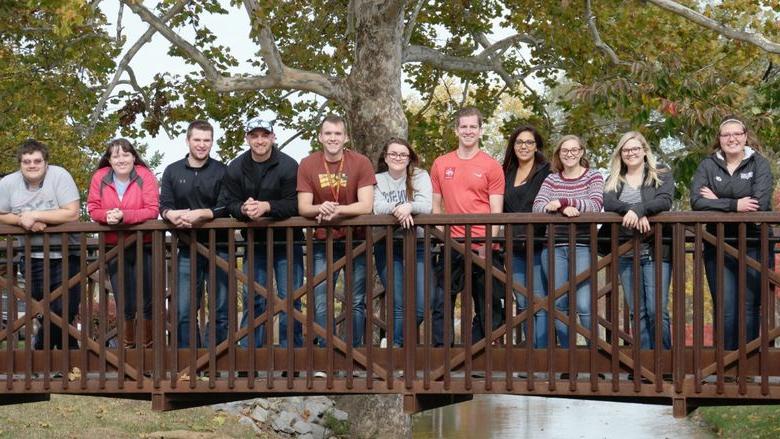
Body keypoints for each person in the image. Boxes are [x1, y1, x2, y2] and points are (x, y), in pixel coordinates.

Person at [691, 115, 774, 350]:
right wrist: (734, 205)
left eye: (737, 133)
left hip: (755, 244)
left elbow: (758, 203)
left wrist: (717, 200)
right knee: (726, 308)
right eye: (726, 134)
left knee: (749, 306)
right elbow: (697, 200)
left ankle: (746, 367)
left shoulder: (760, 164)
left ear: (745, 136)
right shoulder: (708, 165)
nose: (732, 138)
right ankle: (726, 365)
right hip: (716, 244)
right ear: (719, 139)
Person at [219, 116, 303, 348]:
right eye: (254, 136)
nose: (259, 140)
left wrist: (267, 207)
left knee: (291, 299)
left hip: (289, 243)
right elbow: (229, 203)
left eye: (264, 135)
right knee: (253, 299)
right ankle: (250, 358)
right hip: (254, 243)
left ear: (273, 137)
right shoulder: (236, 167)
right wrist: (243, 209)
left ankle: (292, 357)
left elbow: (295, 204)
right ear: (247, 139)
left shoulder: (289, 165)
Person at [297, 114, 375, 347]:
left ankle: (352, 354)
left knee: (356, 300)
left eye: (338, 134)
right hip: (323, 241)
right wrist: (321, 208)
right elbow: (303, 206)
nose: (333, 138)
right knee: (321, 299)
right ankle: (325, 354)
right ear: (320, 137)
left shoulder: (361, 162)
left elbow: (366, 205)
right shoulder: (308, 163)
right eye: (328, 133)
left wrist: (337, 211)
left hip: (357, 240)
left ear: (346, 137)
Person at [430, 107, 505, 346]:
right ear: (456, 130)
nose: (468, 131)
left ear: (481, 131)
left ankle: (480, 355)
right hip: (452, 243)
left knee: (488, 302)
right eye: (464, 126)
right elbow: (435, 207)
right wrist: (444, 239)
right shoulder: (441, 163)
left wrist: (489, 245)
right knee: (442, 301)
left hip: (483, 244)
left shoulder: (492, 165)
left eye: (473, 126)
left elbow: (496, 210)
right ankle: (443, 355)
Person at [0, 139, 81, 351]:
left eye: (37, 161)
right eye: (26, 161)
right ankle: (70, 360)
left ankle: (40, 353)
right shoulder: (8, 183)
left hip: (67, 254)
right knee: (44, 311)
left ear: (46, 163)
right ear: (20, 164)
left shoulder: (60, 175)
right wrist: (20, 221)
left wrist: (34, 215)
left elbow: (72, 213)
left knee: (65, 311)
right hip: (32, 257)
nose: (32, 165)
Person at [160, 120, 229, 348]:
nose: (201, 145)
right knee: (182, 309)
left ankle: (216, 360)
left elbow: (226, 206)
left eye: (206, 140)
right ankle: (190, 362)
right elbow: (164, 205)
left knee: (221, 309)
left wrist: (202, 214)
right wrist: (170, 214)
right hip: (186, 248)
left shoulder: (222, 170)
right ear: (188, 140)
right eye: (197, 139)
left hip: (219, 248)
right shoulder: (172, 170)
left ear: (212, 142)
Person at [604, 131, 673, 350]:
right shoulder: (614, 179)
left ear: (644, 150)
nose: (631, 153)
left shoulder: (660, 172)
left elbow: (665, 200)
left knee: (656, 309)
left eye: (635, 148)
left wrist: (641, 209)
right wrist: (633, 211)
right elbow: (608, 202)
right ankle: (643, 363)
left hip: (656, 250)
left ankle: (664, 363)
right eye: (626, 150)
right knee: (637, 311)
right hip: (625, 250)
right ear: (620, 154)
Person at [87, 138, 159, 348]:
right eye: (116, 155)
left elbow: (152, 209)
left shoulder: (145, 175)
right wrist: (105, 216)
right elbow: (92, 207)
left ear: (134, 157)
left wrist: (124, 216)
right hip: (114, 247)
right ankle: (127, 349)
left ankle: (147, 350)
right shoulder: (99, 177)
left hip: (144, 245)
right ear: (108, 160)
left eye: (126, 154)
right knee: (124, 300)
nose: (121, 159)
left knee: (147, 300)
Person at [533, 135, 603, 348]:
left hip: (582, 246)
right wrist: (565, 209)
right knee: (559, 304)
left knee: (583, 303)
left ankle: (594, 357)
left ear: (581, 152)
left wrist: (562, 202)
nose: (570, 154)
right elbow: (538, 206)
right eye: (565, 151)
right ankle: (567, 357)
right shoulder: (552, 179)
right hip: (553, 247)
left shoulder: (594, 177)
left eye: (574, 150)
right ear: (559, 154)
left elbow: (595, 204)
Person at [373, 138, 432, 347]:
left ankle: (392, 340)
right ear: (386, 158)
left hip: (418, 244)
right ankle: (397, 350)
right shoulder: (377, 179)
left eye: (403, 155)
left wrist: (410, 207)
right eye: (393, 154)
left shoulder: (420, 176)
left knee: (422, 304)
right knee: (398, 302)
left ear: (409, 158)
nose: (398, 158)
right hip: (387, 245)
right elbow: (377, 207)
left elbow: (426, 205)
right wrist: (401, 208)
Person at [501, 125, 551, 348]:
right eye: (519, 142)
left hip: (540, 244)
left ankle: (541, 354)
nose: (524, 146)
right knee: (522, 300)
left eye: (529, 142)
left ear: (537, 146)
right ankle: (529, 352)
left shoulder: (547, 172)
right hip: (513, 246)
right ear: (513, 146)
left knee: (539, 299)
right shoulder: (505, 172)